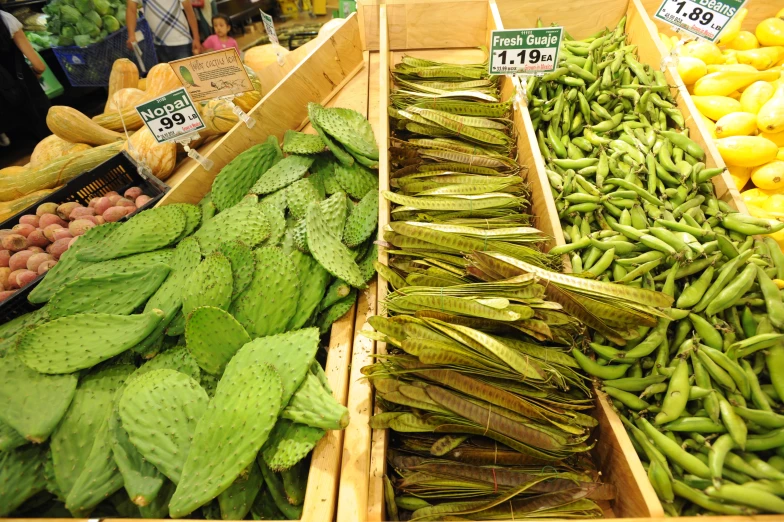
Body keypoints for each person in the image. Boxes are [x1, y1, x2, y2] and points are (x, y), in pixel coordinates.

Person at [0, 9, 50, 146]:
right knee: (49, 138)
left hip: (6, 107)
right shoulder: (5, 18)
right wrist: (36, 73)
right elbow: (39, 65)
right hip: (26, 90)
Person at [126, 0, 201, 63]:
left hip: (181, 42)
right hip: (157, 44)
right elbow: (131, 10)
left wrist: (196, 38)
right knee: (167, 79)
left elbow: (189, 10)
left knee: (186, 78)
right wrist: (131, 35)